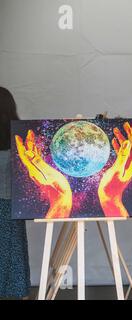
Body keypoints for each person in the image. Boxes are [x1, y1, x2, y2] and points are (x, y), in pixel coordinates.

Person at [0, 87, 31, 299]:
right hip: (14, 203)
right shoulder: (19, 136)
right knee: (16, 247)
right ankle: (20, 292)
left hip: (9, 202)